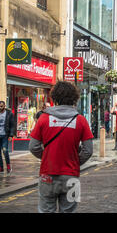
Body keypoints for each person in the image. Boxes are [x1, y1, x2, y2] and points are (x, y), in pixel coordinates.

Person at [29, 81, 93, 213]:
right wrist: (75, 161)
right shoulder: (81, 120)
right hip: (72, 177)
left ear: (54, 97)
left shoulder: (44, 118)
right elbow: (88, 150)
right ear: (74, 98)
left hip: (48, 175)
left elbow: (33, 146)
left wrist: (47, 156)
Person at [0, 101, 16, 174]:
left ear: (4, 106)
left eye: (1, 106)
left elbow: (12, 125)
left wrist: (11, 135)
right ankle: (1, 167)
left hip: (5, 136)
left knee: (5, 151)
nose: (0, 108)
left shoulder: (9, 114)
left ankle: (8, 166)